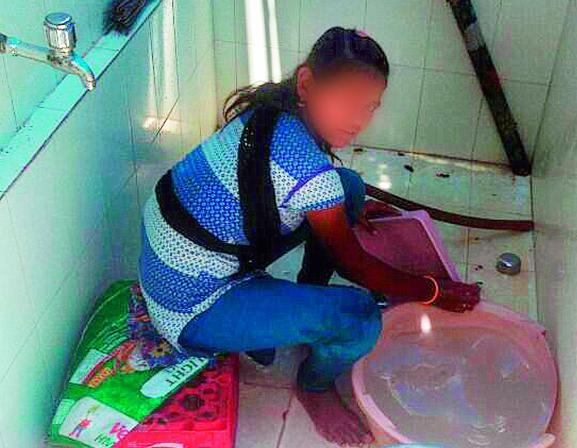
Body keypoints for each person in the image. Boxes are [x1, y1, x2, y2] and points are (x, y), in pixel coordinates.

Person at [138, 27, 480, 445]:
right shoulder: (309, 172)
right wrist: (430, 290)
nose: (358, 119)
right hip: (191, 305)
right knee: (358, 317)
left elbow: (284, 190)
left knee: (349, 186)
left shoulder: (270, 112)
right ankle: (313, 386)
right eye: (347, 101)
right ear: (306, 83)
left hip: (185, 260)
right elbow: (358, 264)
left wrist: (337, 211)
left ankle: (307, 297)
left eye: (369, 106)